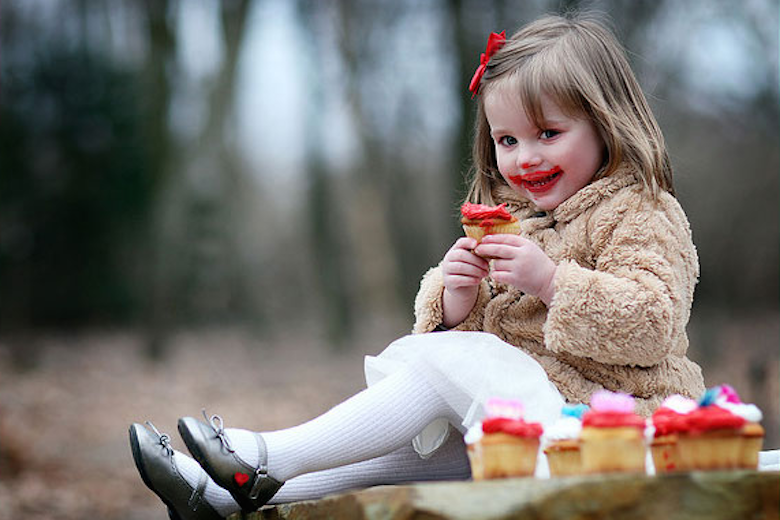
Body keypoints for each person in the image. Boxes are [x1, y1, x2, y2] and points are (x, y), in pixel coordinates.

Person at [130, 13, 706, 519]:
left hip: (617, 427)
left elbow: (654, 322)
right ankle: (218, 493)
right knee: (402, 451)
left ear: (607, 122)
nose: (525, 157)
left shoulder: (641, 210)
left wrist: (552, 282)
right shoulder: (519, 220)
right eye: (506, 140)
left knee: (456, 364)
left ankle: (262, 453)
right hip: (529, 425)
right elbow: (475, 349)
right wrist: (457, 302)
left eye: (548, 134)